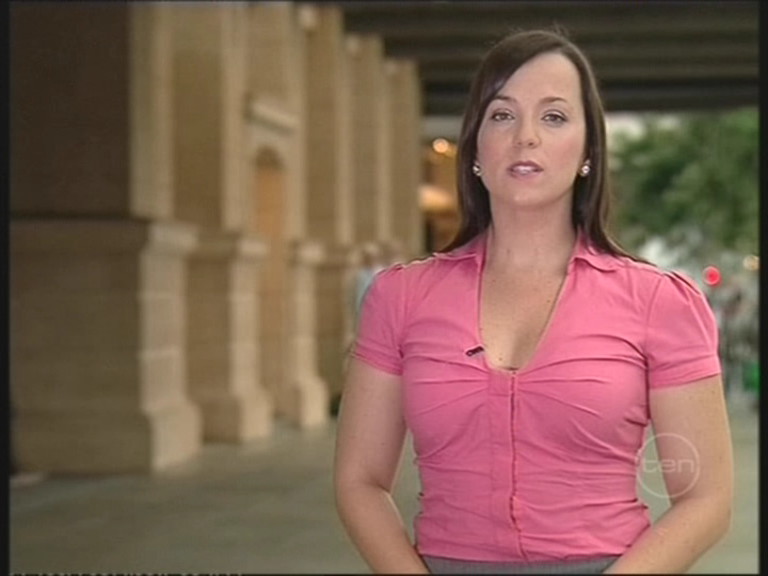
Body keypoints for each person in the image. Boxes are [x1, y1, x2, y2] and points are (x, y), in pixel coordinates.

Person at [334, 28, 733, 574]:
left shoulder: (660, 302)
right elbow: (359, 480)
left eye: (554, 116)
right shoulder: (400, 297)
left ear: (588, 150)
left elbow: (707, 499)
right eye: (502, 115)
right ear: (475, 147)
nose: (526, 137)